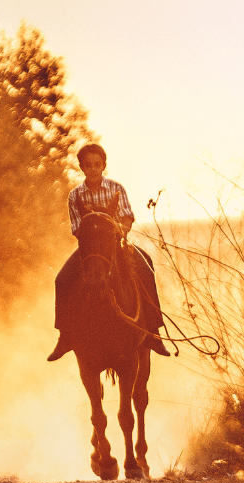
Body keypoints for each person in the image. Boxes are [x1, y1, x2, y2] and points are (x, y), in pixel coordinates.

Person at [47, 143, 170, 362]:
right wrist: (93, 237)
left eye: (97, 164)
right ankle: (65, 335)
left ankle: (153, 330)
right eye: (88, 165)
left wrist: (117, 231)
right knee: (62, 279)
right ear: (82, 167)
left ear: (103, 165)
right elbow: (76, 227)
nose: (93, 169)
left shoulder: (116, 188)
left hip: (116, 244)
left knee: (146, 267)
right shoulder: (75, 195)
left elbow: (127, 216)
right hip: (90, 250)